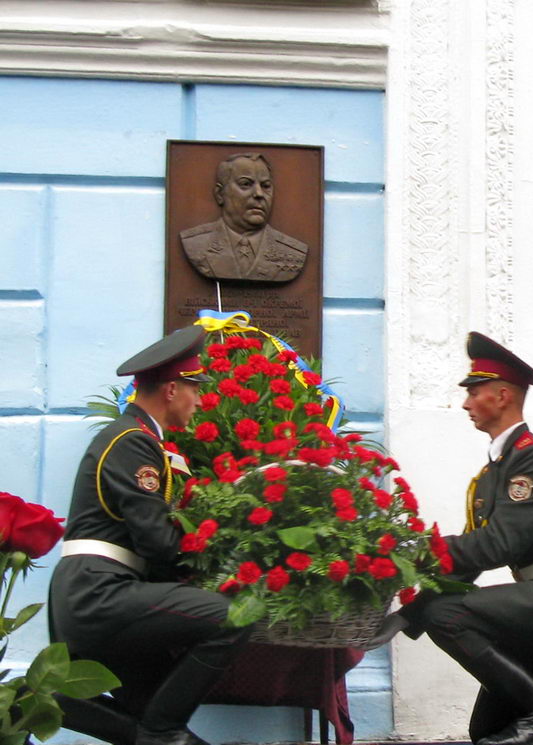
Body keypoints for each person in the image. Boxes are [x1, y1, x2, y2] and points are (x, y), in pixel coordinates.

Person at [369, 331, 533, 745]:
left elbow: (499, 545)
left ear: (503, 395)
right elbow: (473, 560)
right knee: (488, 731)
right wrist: (409, 612)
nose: (465, 403)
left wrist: (419, 552)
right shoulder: (495, 471)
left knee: (445, 614)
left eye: (474, 392)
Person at [48, 325, 251, 745]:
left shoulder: (136, 440)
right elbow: (156, 541)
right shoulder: (132, 442)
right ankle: (154, 729)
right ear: (172, 390)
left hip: (97, 589)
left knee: (147, 724)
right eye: (195, 388)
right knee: (237, 616)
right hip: (100, 594)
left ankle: (68, 706)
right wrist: (217, 567)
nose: (200, 400)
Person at [180, 152, 308, 283]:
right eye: (246, 184)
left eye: (265, 186)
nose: (259, 194)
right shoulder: (195, 244)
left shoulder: (294, 253)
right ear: (220, 194)